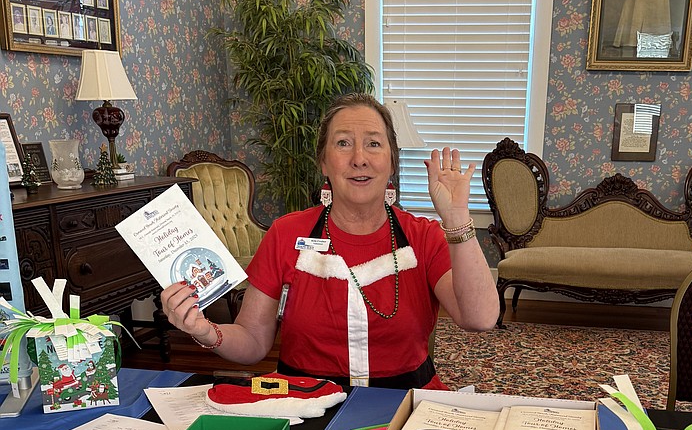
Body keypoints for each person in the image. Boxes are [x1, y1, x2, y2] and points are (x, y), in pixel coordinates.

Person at [161, 93, 499, 388]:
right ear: (324, 162)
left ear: (392, 161)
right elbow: (252, 342)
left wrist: (456, 218)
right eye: (343, 143)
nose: (359, 158)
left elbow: (480, 318)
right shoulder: (285, 234)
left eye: (373, 143)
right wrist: (206, 332)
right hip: (304, 406)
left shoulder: (423, 236)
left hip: (402, 408)